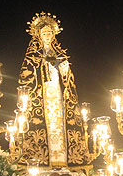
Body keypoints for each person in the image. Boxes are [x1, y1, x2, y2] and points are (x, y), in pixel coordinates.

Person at [19, 12, 87, 167]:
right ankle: (41, 162)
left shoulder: (61, 54)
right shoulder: (32, 56)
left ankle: (64, 160)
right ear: (38, 35)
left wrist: (64, 69)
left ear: (54, 34)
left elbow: (69, 80)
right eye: (44, 33)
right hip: (41, 97)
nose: (47, 35)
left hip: (58, 96)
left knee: (60, 125)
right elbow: (26, 77)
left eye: (49, 32)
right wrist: (43, 65)